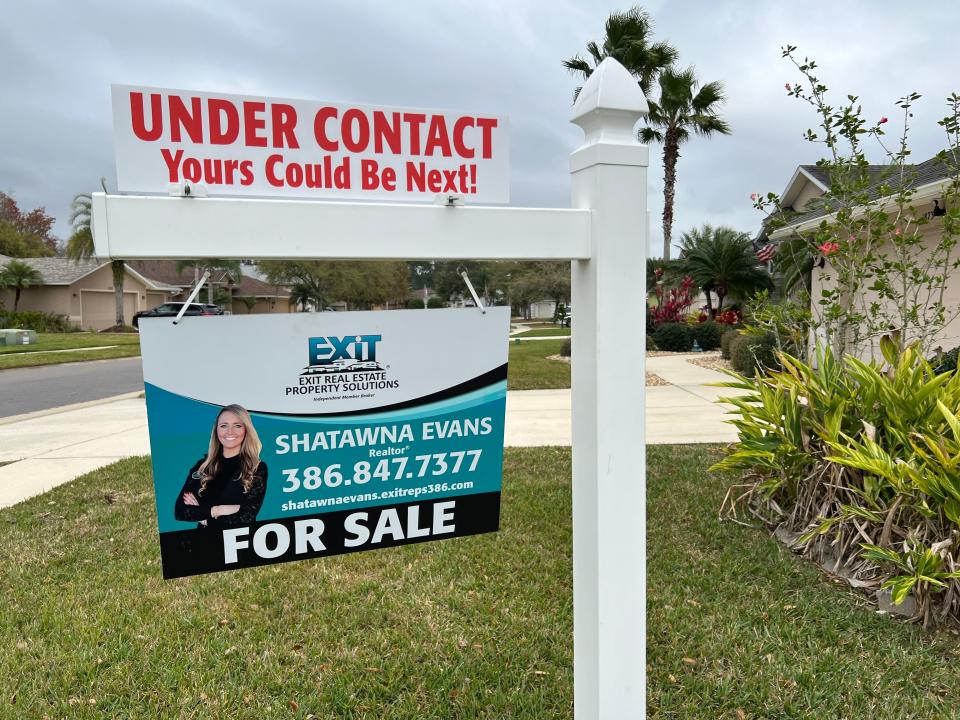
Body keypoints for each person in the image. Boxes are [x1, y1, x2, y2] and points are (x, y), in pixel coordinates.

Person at [174, 404, 268, 529]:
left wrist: (204, 517)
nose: (230, 432)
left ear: (246, 430)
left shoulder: (257, 468)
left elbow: (247, 516)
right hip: (203, 543)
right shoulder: (202, 466)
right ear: (216, 430)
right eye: (224, 426)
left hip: (238, 543)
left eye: (237, 426)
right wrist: (217, 510)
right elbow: (180, 511)